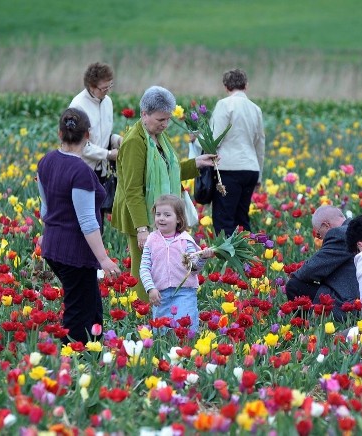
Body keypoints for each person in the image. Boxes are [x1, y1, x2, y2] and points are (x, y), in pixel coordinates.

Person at [111, 86, 217, 302]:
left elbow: (170, 169)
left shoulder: (158, 137)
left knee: (162, 266)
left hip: (160, 213)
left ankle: (162, 311)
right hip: (141, 216)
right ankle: (143, 313)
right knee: (145, 270)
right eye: (161, 119)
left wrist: (197, 163)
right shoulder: (135, 142)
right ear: (144, 114)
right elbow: (132, 189)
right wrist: (142, 228)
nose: (166, 124)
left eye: (168, 119)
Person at [37, 108, 121, 344]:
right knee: (79, 311)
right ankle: (71, 361)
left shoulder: (46, 162)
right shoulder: (81, 172)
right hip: (74, 252)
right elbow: (86, 221)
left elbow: (45, 209)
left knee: (91, 304)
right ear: (88, 136)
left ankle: (93, 352)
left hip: (53, 247)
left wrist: (46, 235)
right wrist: (103, 259)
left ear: (59, 133)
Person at [202, 68, 265, 236]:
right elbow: (260, 144)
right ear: (246, 85)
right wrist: (259, 176)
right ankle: (250, 257)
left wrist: (198, 143)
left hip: (228, 169)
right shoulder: (255, 109)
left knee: (224, 221)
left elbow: (215, 139)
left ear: (225, 86)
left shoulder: (224, 105)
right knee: (242, 220)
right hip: (251, 169)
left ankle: (229, 261)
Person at [139, 195, 214, 333]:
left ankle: (186, 352)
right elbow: (144, 267)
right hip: (160, 294)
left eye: (167, 215)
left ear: (179, 218)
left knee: (184, 328)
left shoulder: (185, 240)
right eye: (158, 214)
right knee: (161, 332)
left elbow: (193, 269)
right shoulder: (151, 240)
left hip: (184, 292)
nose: (161, 218)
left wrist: (203, 257)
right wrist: (150, 288)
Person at [68, 62, 122, 230]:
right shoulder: (78, 106)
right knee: (86, 220)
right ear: (91, 87)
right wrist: (108, 154)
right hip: (83, 170)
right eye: (103, 88)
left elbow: (104, 135)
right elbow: (80, 145)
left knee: (99, 220)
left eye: (109, 87)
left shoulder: (108, 102)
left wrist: (117, 140)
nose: (107, 92)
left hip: (102, 171)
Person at [285, 206, 359, 321]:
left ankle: (304, 327)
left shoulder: (340, 233)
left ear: (326, 225)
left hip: (349, 305)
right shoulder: (361, 229)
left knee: (294, 285)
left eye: (319, 234)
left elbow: (310, 270)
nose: (320, 239)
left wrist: (293, 274)